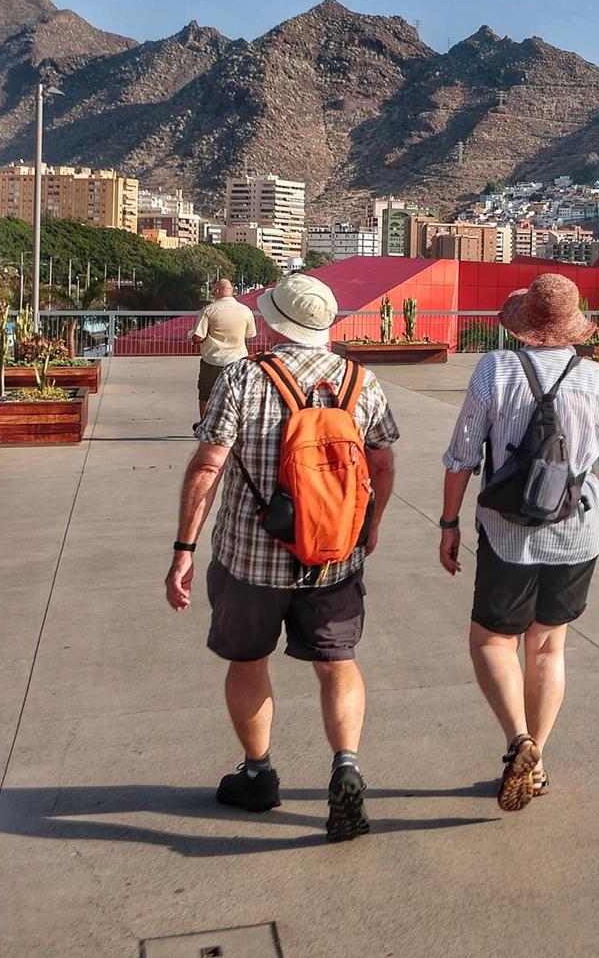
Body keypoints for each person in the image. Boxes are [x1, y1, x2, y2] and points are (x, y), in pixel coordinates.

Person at [166, 272, 399, 843]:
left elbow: (208, 467)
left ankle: (259, 773)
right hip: (334, 559)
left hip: (251, 558)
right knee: (337, 663)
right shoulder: (359, 382)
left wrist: (183, 550)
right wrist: (369, 527)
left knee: (248, 661)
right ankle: (346, 765)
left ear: (272, 322)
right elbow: (383, 464)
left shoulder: (244, 377)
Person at [437, 273, 599, 812]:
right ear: (572, 327)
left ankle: (518, 741)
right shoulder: (597, 379)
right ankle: (539, 762)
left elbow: (461, 455)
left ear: (524, 324)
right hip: (580, 528)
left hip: (508, 530)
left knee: (492, 642)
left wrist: (449, 523)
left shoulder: (495, 368)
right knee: (548, 646)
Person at [191, 278, 257, 416]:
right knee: (238, 396)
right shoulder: (245, 310)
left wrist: (192, 336)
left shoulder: (209, 310)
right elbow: (250, 336)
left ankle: (204, 424)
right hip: (238, 360)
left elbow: (198, 337)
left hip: (213, 360)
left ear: (217, 291)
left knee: (206, 395)